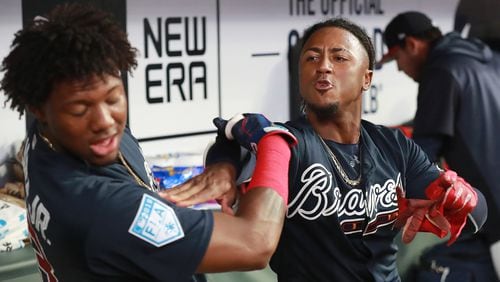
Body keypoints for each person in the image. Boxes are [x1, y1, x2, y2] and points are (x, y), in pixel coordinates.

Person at [162, 17, 488, 282]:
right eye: (312, 57)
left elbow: (478, 217)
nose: (323, 66)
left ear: (366, 78)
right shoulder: (287, 142)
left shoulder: (394, 146)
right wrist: (224, 166)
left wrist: (464, 197)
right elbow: (232, 139)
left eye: (339, 57)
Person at [0, 3, 298, 281]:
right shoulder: (103, 208)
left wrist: (225, 165)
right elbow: (255, 243)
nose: (105, 121)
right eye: (80, 109)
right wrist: (276, 142)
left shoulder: (45, 138)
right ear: (38, 108)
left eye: (113, 97)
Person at [378, 11, 500, 281]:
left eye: (397, 58)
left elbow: (421, 160)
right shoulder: (485, 58)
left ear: (411, 44)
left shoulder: (441, 71)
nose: (399, 68)